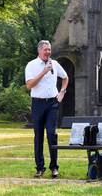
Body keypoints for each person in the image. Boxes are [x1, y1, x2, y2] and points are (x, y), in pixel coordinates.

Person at [25, 40, 68, 178]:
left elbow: (65, 77)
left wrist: (62, 92)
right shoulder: (31, 65)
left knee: (51, 134)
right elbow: (29, 85)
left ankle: (54, 167)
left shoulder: (54, 64)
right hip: (37, 104)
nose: (48, 52)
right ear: (39, 51)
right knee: (38, 136)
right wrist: (43, 72)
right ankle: (39, 168)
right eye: (45, 50)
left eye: (49, 50)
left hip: (52, 104)